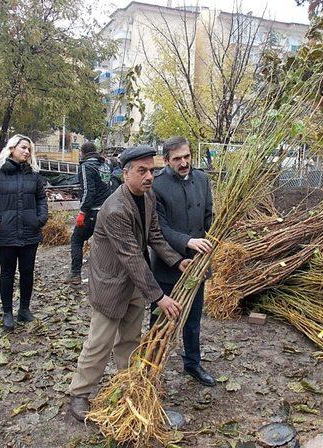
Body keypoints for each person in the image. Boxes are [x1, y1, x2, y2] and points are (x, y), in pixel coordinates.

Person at [68, 145, 190, 422]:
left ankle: (126, 386)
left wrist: (176, 260)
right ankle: (79, 393)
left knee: (131, 340)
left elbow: (155, 235)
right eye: (141, 171)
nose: (149, 176)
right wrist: (160, 297)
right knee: (99, 342)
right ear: (125, 174)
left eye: (152, 170)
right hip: (111, 282)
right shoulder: (114, 209)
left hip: (135, 282)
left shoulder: (147, 197)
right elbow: (131, 256)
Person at [150, 136, 216, 387]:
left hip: (197, 266)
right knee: (160, 319)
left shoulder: (202, 179)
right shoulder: (157, 186)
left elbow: (209, 217)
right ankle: (151, 365)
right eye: (177, 158)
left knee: (193, 318)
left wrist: (217, 234)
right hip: (168, 266)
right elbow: (158, 228)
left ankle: (192, 363)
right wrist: (188, 242)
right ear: (166, 160)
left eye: (187, 156)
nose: (184, 162)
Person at [0, 134, 48, 331]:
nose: (27, 152)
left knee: (27, 272)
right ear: (12, 148)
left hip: (29, 232)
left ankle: (24, 310)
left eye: (29, 149)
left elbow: (41, 199)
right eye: (23, 148)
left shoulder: (33, 174)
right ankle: (7, 312)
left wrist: (40, 218)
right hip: (5, 233)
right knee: (7, 273)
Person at [66, 142, 111, 284]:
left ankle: (75, 274)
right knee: (103, 244)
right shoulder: (105, 166)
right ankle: (106, 276)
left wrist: (82, 212)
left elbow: (88, 190)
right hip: (107, 211)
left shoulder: (86, 167)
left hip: (93, 212)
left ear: (82, 152)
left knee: (77, 240)